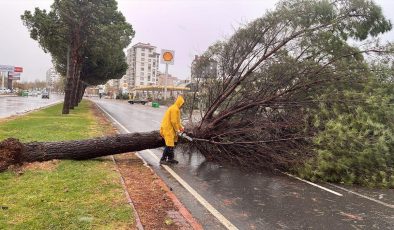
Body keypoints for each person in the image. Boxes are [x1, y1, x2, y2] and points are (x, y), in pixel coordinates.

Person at [160, 95, 184, 165]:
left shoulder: (176, 108)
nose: (182, 106)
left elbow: (177, 121)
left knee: (172, 145)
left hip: (171, 129)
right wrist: (177, 130)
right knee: (169, 145)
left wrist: (181, 128)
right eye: (182, 104)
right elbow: (173, 121)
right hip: (168, 129)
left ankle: (170, 159)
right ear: (179, 103)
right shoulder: (174, 109)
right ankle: (163, 159)